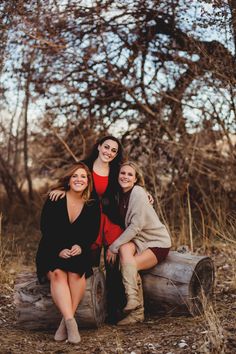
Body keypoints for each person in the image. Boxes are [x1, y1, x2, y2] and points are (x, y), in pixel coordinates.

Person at [49, 136, 126, 323]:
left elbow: (129, 182)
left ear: (116, 154)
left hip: (109, 220)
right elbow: (70, 180)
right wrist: (60, 189)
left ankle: (114, 309)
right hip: (89, 220)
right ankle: (84, 308)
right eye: (106, 147)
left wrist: (145, 193)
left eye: (113, 150)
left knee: (113, 261)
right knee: (88, 261)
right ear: (99, 147)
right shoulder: (84, 165)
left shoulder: (116, 170)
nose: (108, 152)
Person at [36, 162, 100, 343]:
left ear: (88, 181)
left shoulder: (92, 204)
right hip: (51, 248)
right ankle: (72, 322)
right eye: (75, 176)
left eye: (83, 177)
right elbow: (46, 228)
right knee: (57, 273)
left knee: (75, 273)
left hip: (78, 250)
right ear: (69, 179)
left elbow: (92, 231)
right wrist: (58, 250)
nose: (79, 180)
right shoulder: (55, 198)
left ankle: (65, 321)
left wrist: (81, 245)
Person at [108, 161, 172, 325]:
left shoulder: (137, 193)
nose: (125, 177)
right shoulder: (119, 194)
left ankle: (135, 305)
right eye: (123, 173)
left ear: (136, 179)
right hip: (139, 240)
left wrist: (112, 247)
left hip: (156, 241)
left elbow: (135, 227)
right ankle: (135, 306)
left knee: (130, 264)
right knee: (124, 250)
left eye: (130, 174)